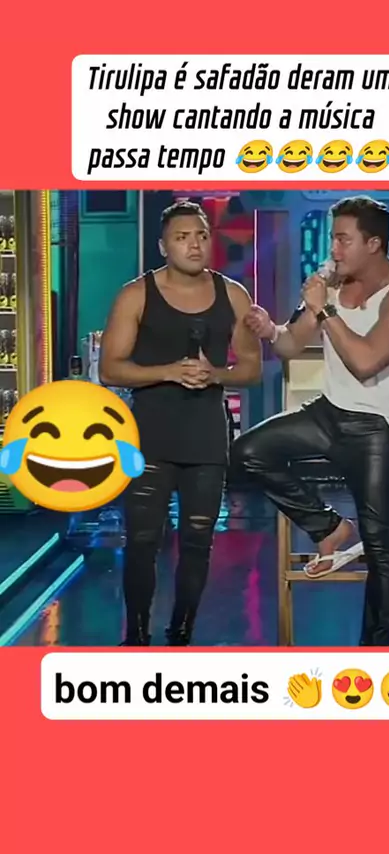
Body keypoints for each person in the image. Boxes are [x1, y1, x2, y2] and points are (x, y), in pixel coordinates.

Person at [232, 196, 389, 646]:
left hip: (379, 426)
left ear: (374, 244)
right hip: (329, 412)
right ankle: (327, 526)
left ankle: (373, 652)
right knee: (247, 452)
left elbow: (365, 362)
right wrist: (270, 329)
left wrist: (325, 310)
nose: (334, 250)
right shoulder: (335, 286)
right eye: (333, 239)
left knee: (380, 548)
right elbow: (289, 345)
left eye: (343, 240)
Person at [99, 200, 262, 646]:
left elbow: (251, 369)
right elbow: (110, 368)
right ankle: (136, 635)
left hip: (206, 436)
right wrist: (168, 371)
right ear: (163, 245)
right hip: (149, 435)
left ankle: (182, 631)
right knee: (142, 540)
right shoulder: (135, 295)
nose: (194, 244)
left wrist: (217, 375)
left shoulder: (234, 295)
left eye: (202, 236)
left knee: (197, 540)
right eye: (182, 237)